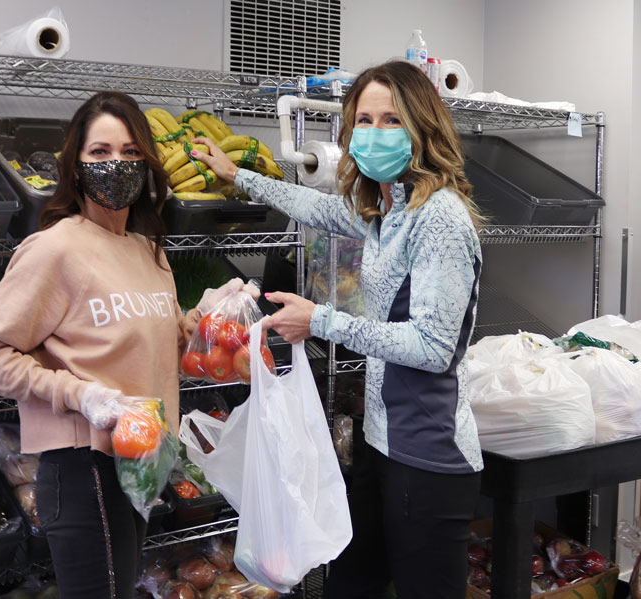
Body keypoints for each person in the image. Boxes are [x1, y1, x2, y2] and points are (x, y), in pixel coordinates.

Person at [193, 60, 484, 599]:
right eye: (364, 121)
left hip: (429, 457)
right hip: (383, 442)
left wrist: (322, 320)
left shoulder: (439, 217)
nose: (374, 135)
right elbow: (320, 207)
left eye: (392, 120)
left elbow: (433, 348)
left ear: (423, 128)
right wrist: (241, 178)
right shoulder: (389, 208)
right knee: (350, 584)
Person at [0, 91, 251, 599]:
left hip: (142, 461)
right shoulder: (55, 248)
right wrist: (80, 395)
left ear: (147, 164)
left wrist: (204, 318)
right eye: (99, 153)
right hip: (85, 468)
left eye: (130, 152)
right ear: (74, 165)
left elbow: (149, 345)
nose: (116, 165)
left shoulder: (148, 251)